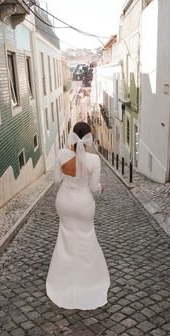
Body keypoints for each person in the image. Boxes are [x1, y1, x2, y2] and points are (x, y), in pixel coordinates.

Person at [46, 122, 110, 310]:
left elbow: (56, 180)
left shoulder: (61, 154)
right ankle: (88, 281)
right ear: (88, 138)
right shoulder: (93, 160)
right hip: (84, 204)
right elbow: (93, 187)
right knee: (86, 238)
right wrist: (100, 188)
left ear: (72, 137)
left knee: (65, 239)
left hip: (64, 202)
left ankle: (62, 281)